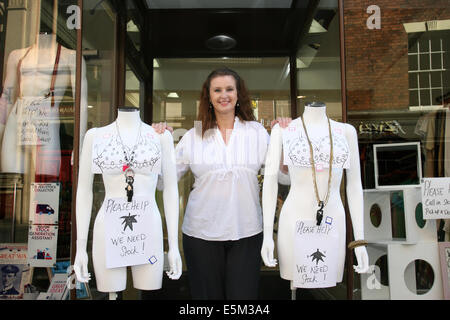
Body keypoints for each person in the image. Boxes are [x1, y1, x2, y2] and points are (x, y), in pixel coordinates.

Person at [154, 68, 291, 300]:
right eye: (217, 90)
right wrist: (158, 143)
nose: (223, 95)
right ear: (208, 96)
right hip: (200, 233)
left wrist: (284, 139)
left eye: (229, 89)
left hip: (247, 231)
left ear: (239, 94)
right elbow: (161, 181)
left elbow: (283, 176)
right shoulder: (194, 134)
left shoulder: (256, 131)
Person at [73, 107, 182, 299]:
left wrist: (174, 245)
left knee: (149, 290)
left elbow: (171, 189)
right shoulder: (96, 136)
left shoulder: (160, 137)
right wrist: (80, 248)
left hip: (148, 228)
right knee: (111, 291)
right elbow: (83, 190)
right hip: (108, 226)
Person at [261, 102, 369, 288]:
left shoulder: (346, 132)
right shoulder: (283, 131)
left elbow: (354, 185)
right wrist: (267, 235)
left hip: (332, 222)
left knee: (328, 279)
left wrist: (359, 240)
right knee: (294, 283)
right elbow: (270, 182)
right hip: (294, 221)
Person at [0, 33, 88, 176]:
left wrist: (80, 143)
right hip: (17, 119)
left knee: (45, 184)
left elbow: (81, 102)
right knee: (11, 183)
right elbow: (6, 98)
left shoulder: (71, 57)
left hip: (46, 120)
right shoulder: (17, 56)